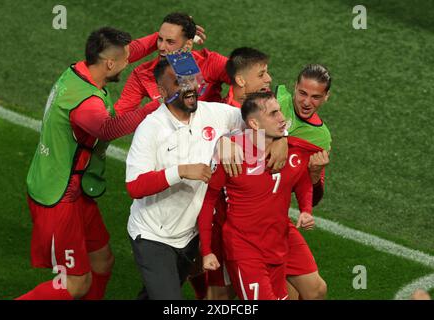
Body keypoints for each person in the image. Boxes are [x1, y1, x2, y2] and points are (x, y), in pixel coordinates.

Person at [125, 55, 288, 299]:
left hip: (189, 235)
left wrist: (282, 139)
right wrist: (181, 171)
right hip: (153, 236)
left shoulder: (215, 114)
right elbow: (134, 186)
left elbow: (262, 120)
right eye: (180, 82)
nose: (190, 87)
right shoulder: (151, 129)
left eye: (192, 78)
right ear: (161, 90)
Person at [17, 27, 160, 300]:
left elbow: (129, 51)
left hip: (74, 189)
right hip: (58, 196)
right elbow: (106, 129)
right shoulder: (85, 101)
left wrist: (160, 38)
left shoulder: (79, 73)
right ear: (109, 63)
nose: (129, 63)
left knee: (102, 261)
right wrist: (153, 108)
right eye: (124, 60)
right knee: (76, 283)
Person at [198, 92, 315, 300]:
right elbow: (208, 201)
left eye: (279, 111)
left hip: (276, 246)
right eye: (273, 114)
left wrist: (306, 209)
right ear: (253, 123)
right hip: (244, 249)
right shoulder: (233, 155)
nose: (282, 118)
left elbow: (302, 177)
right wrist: (207, 250)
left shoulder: (290, 150)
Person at [276, 64, 332, 299]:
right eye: (303, 93)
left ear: (326, 97)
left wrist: (314, 174)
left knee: (315, 291)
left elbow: (315, 197)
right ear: (294, 87)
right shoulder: (276, 100)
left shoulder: (320, 137)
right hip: (244, 205)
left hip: (276, 215)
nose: (307, 102)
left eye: (316, 97)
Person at [114, 12, 230, 116]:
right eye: (160, 39)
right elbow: (117, 121)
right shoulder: (143, 74)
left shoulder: (210, 62)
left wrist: (223, 114)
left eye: (170, 41)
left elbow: (245, 79)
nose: (161, 47)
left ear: (188, 45)